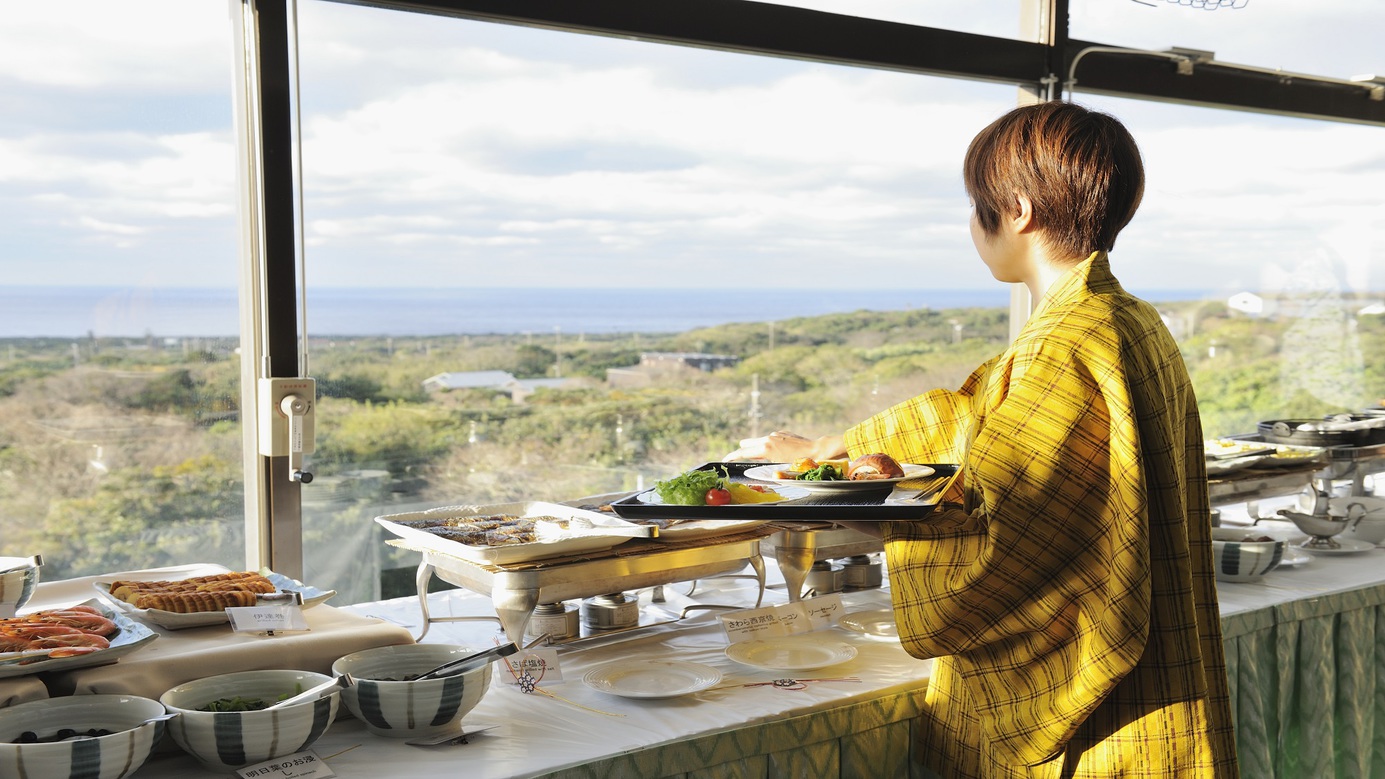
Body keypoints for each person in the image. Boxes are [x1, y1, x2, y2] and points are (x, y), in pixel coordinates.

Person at [726, 101, 1239, 778]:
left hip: (1106, 723)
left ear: (1018, 210)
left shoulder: (1061, 347)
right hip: (1159, 669)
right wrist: (831, 451)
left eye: (976, 203)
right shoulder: (1123, 320)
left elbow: (1007, 549)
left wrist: (886, 516)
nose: (972, 223)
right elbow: (976, 415)